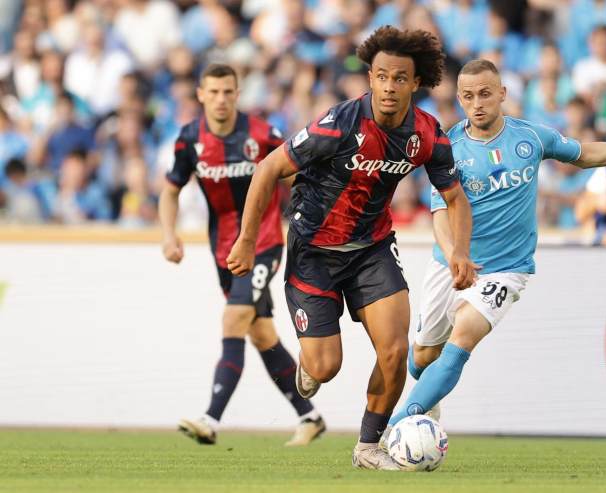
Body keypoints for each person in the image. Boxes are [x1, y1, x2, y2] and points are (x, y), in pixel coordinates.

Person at [226, 26, 476, 470]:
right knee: (326, 367)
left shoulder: (427, 134)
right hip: (313, 251)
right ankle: (311, 365)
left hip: (371, 249)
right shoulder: (339, 123)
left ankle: (367, 447)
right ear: (370, 78)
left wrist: (459, 252)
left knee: (395, 351)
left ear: (416, 83)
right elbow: (267, 169)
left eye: (400, 78)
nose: (389, 86)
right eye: (381, 76)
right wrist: (246, 240)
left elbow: (454, 198)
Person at [383, 58, 606, 431]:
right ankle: (425, 401)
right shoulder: (449, 146)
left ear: (502, 93)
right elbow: (441, 213)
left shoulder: (531, 137)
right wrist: (455, 255)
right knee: (423, 355)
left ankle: (395, 426)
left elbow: (585, 155)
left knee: (462, 338)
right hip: (450, 262)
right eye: (468, 96)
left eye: (485, 94)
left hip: (506, 269)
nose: (477, 104)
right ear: (460, 99)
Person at [159, 63, 325, 447]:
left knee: (233, 319)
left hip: (263, 243)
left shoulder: (262, 134)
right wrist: (169, 235)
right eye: (213, 92)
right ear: (201, 95)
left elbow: (299, 175)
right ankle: (309, 416)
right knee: (262, 333)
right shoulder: (189, 139)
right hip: (222, 249)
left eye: (227, 92)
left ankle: (210, 419)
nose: (221, 99)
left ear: (237, 94)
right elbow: (170, 190)